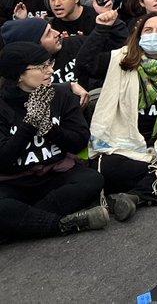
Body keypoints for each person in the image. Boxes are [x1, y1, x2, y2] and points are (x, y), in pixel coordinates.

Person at [89, 12, 157, 218]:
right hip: (124, 141)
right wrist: (100, 29)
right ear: (138, 36)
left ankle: (135, 197)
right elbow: (86, 65)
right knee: (104, 167)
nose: (154, 35)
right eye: (148, 30)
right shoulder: (121, 60)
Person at [0, 42, 110, 237]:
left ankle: (22, 224)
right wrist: (30, 125)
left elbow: (79, 142)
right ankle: (61, 224)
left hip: (55, 175)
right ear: (18, 74)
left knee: (92, 180)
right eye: (41, 67)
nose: (50, 70)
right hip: (15, 182)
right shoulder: (3, 106)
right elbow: (3, 162)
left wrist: (49, 129)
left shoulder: (61, 94)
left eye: (49, 63)